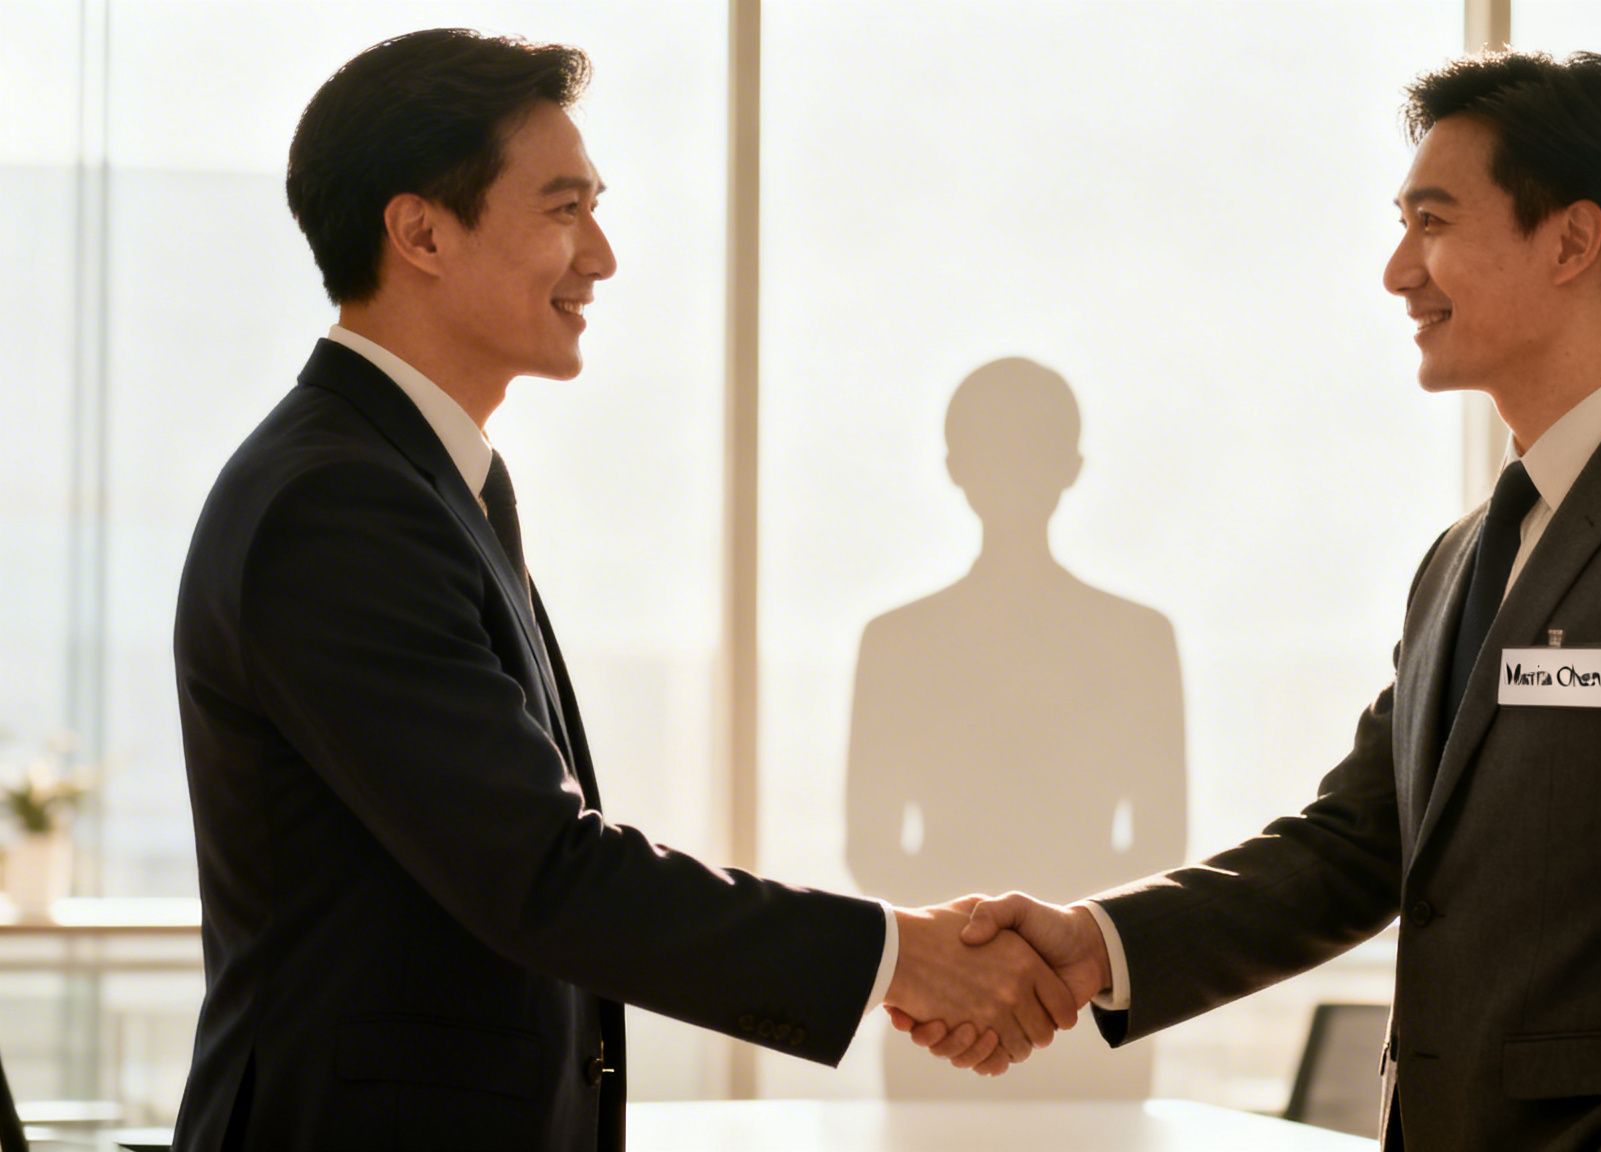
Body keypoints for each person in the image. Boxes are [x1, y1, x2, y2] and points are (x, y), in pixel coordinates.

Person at [901, 50, 1601, 1150]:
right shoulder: (1465, 554)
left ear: (1571, 241)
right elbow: (1354, 848)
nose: (1397, 271)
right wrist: (1094, 943)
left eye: (1433, 222)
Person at [171, 28, 1073, 1151]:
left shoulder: (420, 479)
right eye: (561, 209)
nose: (600, 256)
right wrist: (900, 955)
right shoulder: (339, 507)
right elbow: (542, 873)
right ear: (420, 232)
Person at [845, 357, 1186, 1099]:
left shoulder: (900, 640)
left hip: (961, 1006)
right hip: (1069, 1001)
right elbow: (1161, 845)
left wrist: (969, 958)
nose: (1011, 472)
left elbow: (873, 850)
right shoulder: (1135, 639)